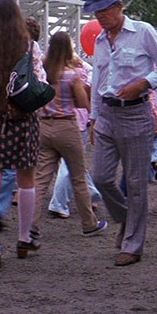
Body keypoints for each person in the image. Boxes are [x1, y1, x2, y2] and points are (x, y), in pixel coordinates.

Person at [85, 0, 157, 267]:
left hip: (136, 114)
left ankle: (133, 246)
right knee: (100, 177)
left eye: (104, 10)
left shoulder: (143, 32)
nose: (100, 16)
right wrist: (93, 118)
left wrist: (143, 84)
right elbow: (97, 82)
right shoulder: (100, 41)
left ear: (119, 7)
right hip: (107, 115)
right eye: (96, 12)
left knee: (136, 184)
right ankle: (128, 218)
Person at [0, 0, 42, 271]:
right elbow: (40, 80)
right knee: (26, 178)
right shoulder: (29, 46)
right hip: (23, 118)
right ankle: (24, 238)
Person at [32, 31, 108, 238]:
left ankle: (31, 225)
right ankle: (89, 223)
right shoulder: (71, 74)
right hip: (66, 126)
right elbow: (82, 102)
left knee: (41, 179)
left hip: (44, 126)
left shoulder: (43, 73)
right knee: (78, 177)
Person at [46, 54, 103, 218]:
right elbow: (87, 98)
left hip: (55, 121)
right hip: (77, 122)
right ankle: (58, 203)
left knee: (75, 164)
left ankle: (92, 194)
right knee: (69, 165)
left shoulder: (53, 73)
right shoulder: (81, 75)